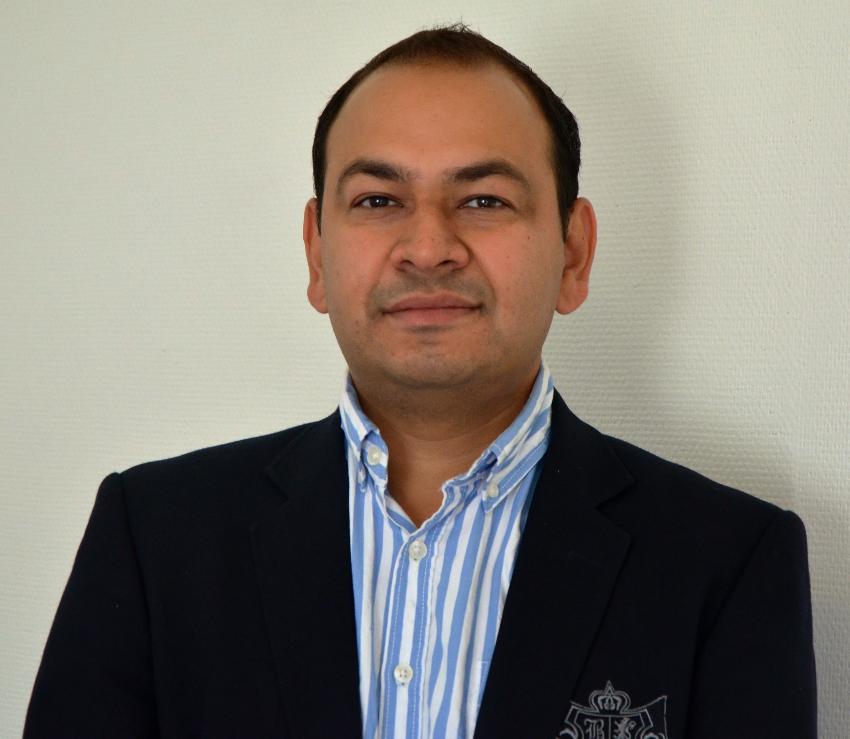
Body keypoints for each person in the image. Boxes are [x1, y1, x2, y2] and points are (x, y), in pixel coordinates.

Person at [24, 25, 816, 739]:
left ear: (573, 254)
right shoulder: (154, 539)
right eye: (378, 199)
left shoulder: (727, 561)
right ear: (317, 254)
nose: (429, 246)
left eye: (483, 199)